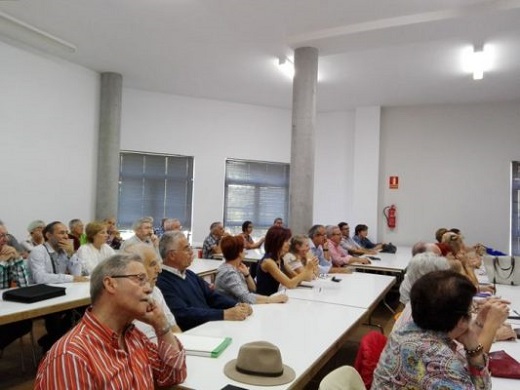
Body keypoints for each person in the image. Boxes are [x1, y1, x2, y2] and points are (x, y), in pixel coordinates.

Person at [35, 253, 187, 389]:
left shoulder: (133, 337)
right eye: (140, 279)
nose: (148, 289)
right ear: (110, 284)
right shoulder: (71, 357)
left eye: (147, 281)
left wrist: (160, 324)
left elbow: (173, 376)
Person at [373, 270, 495, 389]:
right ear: (461, 321)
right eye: (471, 309)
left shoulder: (405, 331)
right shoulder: (437, 358)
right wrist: (474, 350)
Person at [157, 231, 252, 331]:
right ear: (172, 255)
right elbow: (183, 314)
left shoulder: (189, 274)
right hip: (194, 334)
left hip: (210, 327)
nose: (191, 252)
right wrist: (224, 314)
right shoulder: (161, 282)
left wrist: (237, 305)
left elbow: (212, 296)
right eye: (186, 249)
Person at [27, 221, 89, 352]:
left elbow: (77, 274)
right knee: (54, 314)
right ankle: (52, 347)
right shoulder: (38, 252)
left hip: (61, 293)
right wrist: (71, 278)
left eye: (66, 232)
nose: (66, 236)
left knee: (85, 306)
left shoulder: (64, 251)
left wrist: (72, 254)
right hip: (40, 294)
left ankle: (51, 340)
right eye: (61, 233)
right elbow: (40, 278)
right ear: (49, 235)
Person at [125, 244, 182, 341]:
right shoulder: (123, 300)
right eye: (152, 264)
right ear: (135, 269)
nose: (159, 270)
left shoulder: (155, 291)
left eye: (158, 263)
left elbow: (174, 328)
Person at [215, 235, 288, 304]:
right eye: (243, 248)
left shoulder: (236, 267)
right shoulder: (229, 272)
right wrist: (272, 299)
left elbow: (254, 289)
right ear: (239, 253)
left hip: (240, 307)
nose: (245, 251)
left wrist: (247, 275)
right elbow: (246, 298)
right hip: (232, 310)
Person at [0, 223, 33, 352]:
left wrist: (17, 258)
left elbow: (24, 286)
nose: (6, 239)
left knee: (24, 323)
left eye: (6, 235)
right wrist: (3, 261)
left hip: (4, 307)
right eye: (1, 236)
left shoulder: (7, 252)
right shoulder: (5, 256)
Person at [256, 226, 316, 296]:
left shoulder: (280, 259)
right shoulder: (268, 262)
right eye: (286, 241)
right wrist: (307, 270)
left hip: (277, 296)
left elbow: (297, 278)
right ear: (277, 242)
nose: (289, 244)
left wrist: (309, 268)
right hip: (267, 300)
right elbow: (290, 284)